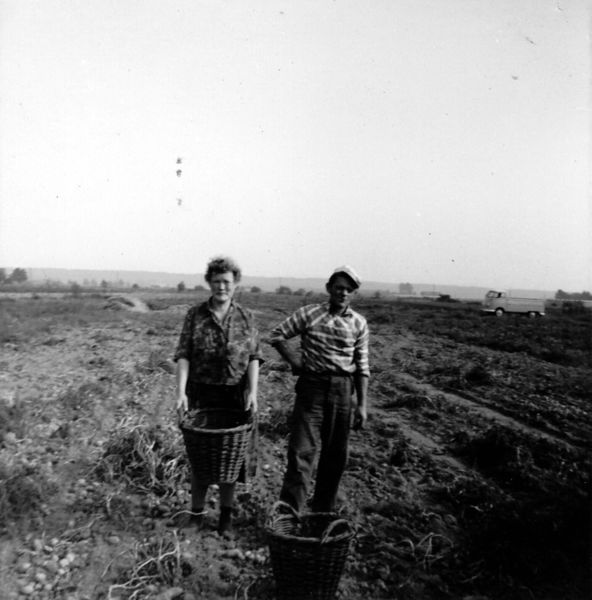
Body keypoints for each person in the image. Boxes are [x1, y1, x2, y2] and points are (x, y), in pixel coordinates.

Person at [269, 265, 370, 513]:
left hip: (343, 391)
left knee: (335, 456)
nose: (343, 293)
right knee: (301, 453)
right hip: (311, 389)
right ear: (329, 288)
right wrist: (295, 362)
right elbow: (277, 335)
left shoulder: (359, 323)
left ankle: (321, 515)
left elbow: (362, 366)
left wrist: (362, 405)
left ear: (354, 294)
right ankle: (289, 515)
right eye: (339, 287)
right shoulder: (309, 313)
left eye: (349, 289)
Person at [173, 256, 262, 534]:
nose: (221, 286)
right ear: (209, 283)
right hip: (201, 394)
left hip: (234, 395)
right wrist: (181, 392)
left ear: (236, 284)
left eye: (226, 281)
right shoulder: (195, 315)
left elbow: (254, 357)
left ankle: (225, 516)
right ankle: (196, 514)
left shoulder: (247, 317)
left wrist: (253, 392)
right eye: (216, 281)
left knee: (230, 458)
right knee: (200, 457)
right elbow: (184, 355)